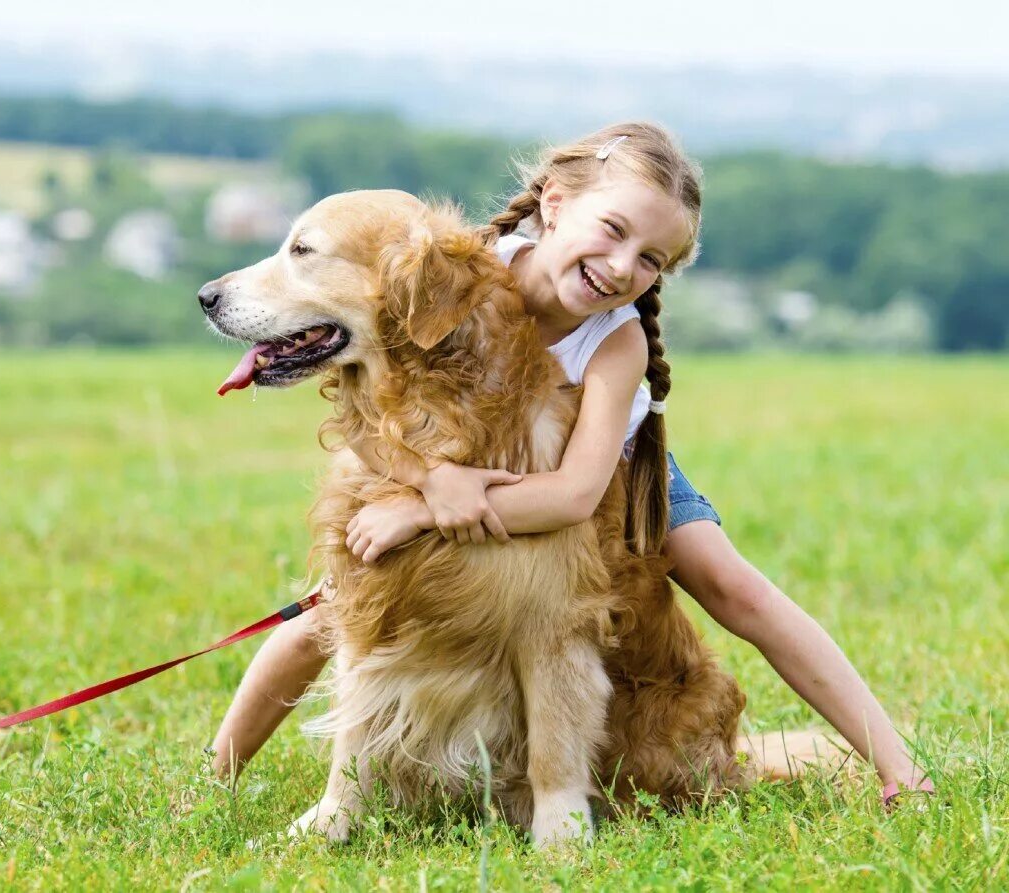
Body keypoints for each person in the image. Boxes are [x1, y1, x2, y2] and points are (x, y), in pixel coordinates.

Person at [209, 122, 932, 807]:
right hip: (453, 459)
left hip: (606, 464)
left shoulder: (617, 343)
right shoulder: (455, 275)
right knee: (326, 613)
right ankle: (212, 780)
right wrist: (430, 480)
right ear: (554, 204)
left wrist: (426, 507)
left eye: (651, 259)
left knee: (731, 585)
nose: (623, 266)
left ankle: (900, 769)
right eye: (613, 230)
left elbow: (574, 494)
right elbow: (362, 411)